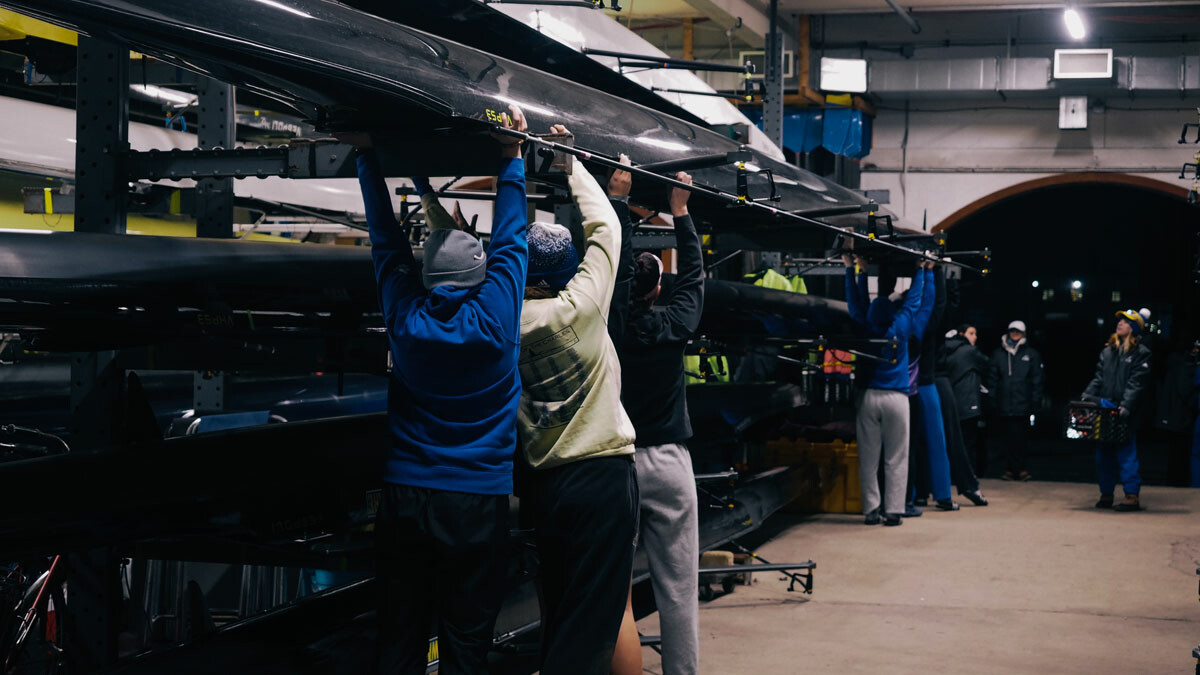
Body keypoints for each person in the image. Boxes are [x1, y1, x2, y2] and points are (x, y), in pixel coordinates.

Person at [346, 105, 529, 674]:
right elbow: (512, 240)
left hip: (407, 497)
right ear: (479, 275)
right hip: (477, 501)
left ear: (426, 277)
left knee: (398, 635)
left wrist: (366, 158)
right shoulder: (498, 316)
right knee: (466, 641)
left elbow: (384, 244)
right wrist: (513, 159)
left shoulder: (405, 319)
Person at [516, 131, 639, 674]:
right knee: (598, 621)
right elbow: (605, 228)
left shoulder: (498, 321)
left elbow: (477, 265)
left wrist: (433, 202)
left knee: (560, 609)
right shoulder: (584, 307)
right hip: (602, 481)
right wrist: (569, 165)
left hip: (542, 484)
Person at [616, 171, 703, 675]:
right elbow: (694, 277)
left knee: (614, 589)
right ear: (658, 288)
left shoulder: (611, 325)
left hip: (618, 460)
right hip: (670, 463)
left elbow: (609, 270)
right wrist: (681, 211)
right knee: (678, 587)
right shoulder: (676, 325)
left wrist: (618, 204)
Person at [844, 249, 935, 526]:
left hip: (869, 396)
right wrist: (921, 270)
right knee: (897, 456)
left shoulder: (864, 326)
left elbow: (855, 304)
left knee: (869, 457)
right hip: (897, 397)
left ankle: (871, 510)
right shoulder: (901, 326)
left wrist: (855, 270)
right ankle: (894, 510)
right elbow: (915, 303)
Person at [1083, 308, 1153, 511]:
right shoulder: (1108, 351)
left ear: (1133, 328)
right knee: (1103, 455)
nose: (1120, 323)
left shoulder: (1141, 353)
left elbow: (1136, 384)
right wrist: (1086, 396)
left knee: (1126, 454)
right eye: (1120, 320)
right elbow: (1098, 378)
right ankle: (1106, 494)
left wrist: (1126, 406)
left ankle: (1132, 495)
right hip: (1106, 409)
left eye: (1125, 321)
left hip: (1125, 412)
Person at [987, 320, 1045, 481]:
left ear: (1024, 334)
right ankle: (1010, 469)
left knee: (1021, 438)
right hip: (1004, 403)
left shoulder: (1031, 354)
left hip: (1023, 403)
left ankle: (1021, 469)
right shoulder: (998, 353)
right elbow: (992, 379)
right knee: (1006, 438)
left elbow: (1037, 380)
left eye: (1018, 331)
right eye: (1012, 331)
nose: (1015, 334)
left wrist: (1035, 402)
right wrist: (992, 399)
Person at [941, 324, 992, 492]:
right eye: (971, 333)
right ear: (962, 334)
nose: (975, 336)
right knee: (968, 444)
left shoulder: (944, 351)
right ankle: (967, 479)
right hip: (968, 404)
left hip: (948, 402)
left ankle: (950, 476)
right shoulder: (970, 352)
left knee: (951, 441)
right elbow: (987, 364)